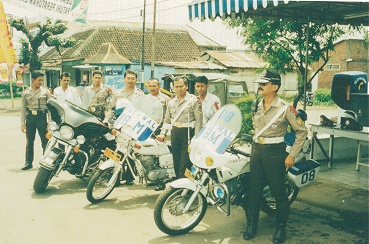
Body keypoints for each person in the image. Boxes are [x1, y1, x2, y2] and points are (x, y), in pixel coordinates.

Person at [243, 69, 308, 243]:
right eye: (259, 83)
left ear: (275, 86)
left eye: (263, 83)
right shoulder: (256, 105)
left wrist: (292, 154)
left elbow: (301, 131)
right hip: (257, 152)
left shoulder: (286, 108)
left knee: (279, 193)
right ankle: (251, 225)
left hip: (275, 153)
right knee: (254, 191)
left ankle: (280, 228)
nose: (260, 86)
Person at [157, 76, 202, 180]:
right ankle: (180, 185)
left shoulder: (194, 100)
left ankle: (186, 188)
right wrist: (163, 133)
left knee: (185, 163)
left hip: (188, 134)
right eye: (176, 86)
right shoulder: (171, 102)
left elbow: (199, 121)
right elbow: (167, 120)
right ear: (173, 88)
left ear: (186, 86)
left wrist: (196, 138)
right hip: (175, 133)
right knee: (176, 162)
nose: (179, 89)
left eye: (181, 86)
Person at [104, 69, 144, 186]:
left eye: (133, 78)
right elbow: (111, 109)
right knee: (117, 149)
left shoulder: (140, 94)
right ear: (124, 79)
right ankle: (115, 176)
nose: (130, 80)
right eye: (128, 78)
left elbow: (143, 110)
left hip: (133, 126)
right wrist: (106, 120)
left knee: (131, 151)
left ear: (136, 80)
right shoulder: (117, 93)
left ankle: (129, 177)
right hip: (119, 125)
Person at [20, 70, 51, 170]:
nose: (41, 82)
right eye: (39, 80)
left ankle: (45, 162)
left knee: (45, 141)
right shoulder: (25, 92)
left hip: (41, 117)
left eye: (42, 80)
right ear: (33, 80)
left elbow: (49, 108)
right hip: (30, 119)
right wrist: (22, 123)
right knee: (29, 141)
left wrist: (49, 122)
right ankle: (28, 162)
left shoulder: (45, 92)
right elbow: (23, 108)